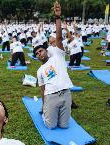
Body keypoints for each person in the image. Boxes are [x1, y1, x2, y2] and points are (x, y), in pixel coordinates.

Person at [35, 1, 73, 129]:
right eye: (37, 53)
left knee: (64, 126)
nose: (39, 54)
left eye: (41, 50)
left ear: (47, 50)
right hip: (51, 96)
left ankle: (53, 112)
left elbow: (58, 37)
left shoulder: (57, 54)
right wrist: (43, 104)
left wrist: (57, 18)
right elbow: (43, 90)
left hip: (66, 94)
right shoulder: (40, 70)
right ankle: (47, 112)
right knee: (51, 126)